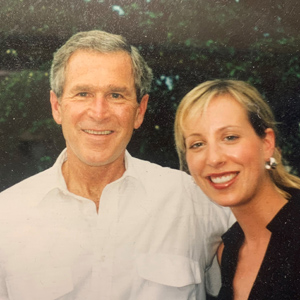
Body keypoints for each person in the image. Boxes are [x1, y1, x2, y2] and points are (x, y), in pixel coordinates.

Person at [0, 31, 233, 300]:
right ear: (57, 107)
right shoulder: (7, 216)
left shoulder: (195, 200)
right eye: (83, 93)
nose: (99, 113)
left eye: (116, 95)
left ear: (140, 111)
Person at [174, 79, 300, 300]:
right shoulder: (228, 251)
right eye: (197, 144)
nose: (213, 158)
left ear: (267, 143)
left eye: (230, 137)